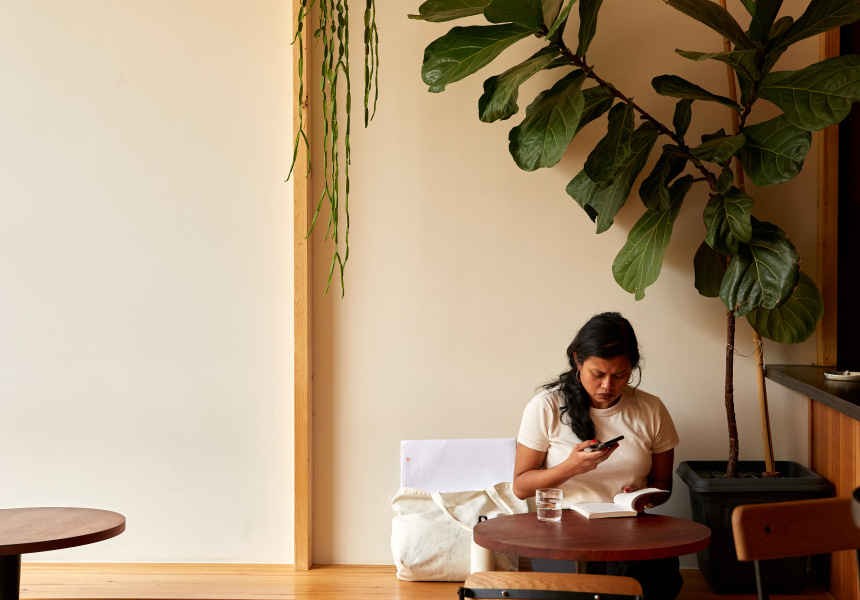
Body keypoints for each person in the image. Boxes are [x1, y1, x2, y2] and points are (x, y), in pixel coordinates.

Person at [513, 312, 682, 600]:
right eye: (598, 374)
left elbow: (663, 484)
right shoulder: (546, 406)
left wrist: (643, 498)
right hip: (561, 530)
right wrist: (570, 467)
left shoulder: (651, 409)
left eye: (620, 375)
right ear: (577, 362)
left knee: (659, 578)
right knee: (592, 588)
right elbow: (520, 486)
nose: (607, 386)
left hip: (629, 528)